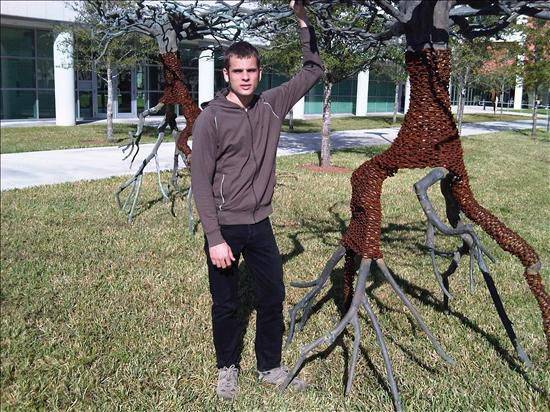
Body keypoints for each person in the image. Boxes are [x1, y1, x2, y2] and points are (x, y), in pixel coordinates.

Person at [191, 0, 323, 401]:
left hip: (260, 222)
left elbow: (314, 69)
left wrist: (302, 20)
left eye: (251, 71)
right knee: (227, 303)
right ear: (226, 74)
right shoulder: (210, 118)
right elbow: (199, 181)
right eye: (238, 71)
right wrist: (214, 237)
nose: (245, 78)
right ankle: (226, 369)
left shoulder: (271, 104)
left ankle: (269, 366)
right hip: (226, 225)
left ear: (259, 72)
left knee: (272, 296)